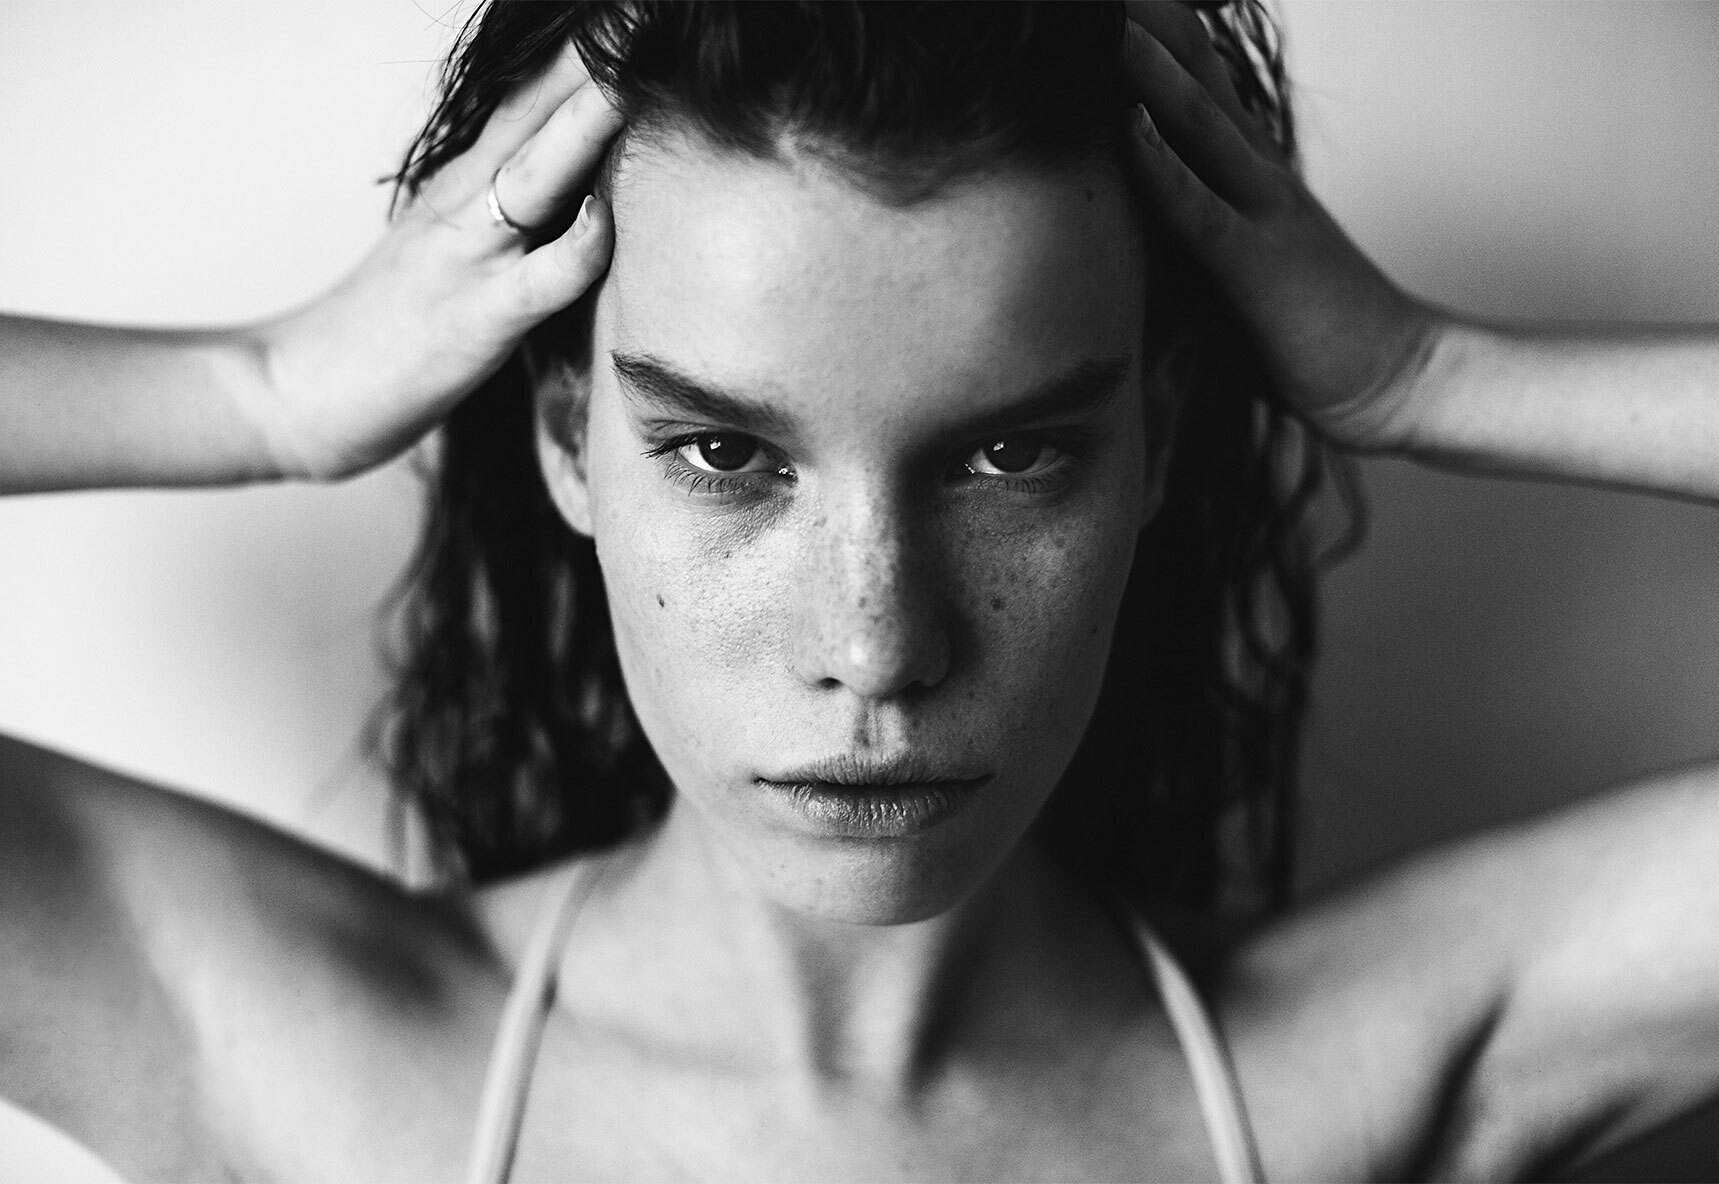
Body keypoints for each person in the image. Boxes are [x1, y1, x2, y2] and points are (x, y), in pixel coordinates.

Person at [1, 2, 1717, 1181]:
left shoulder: (1369, 1072)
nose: (878, 645)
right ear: (569, 441)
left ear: (1156, 445)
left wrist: (1425, 374)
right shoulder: (307, 1067)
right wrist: (261, 395)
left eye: (1012, 455)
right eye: (725, 455)